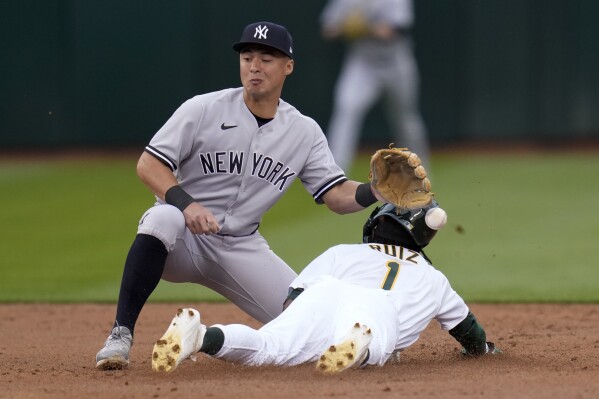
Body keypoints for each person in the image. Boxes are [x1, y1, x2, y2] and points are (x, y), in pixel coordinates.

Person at [95, 21, 387, 370]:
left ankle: (374, 345)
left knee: (307, 324)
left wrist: (376, 190)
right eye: (248, 57)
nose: (255, 66)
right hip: (182, 239)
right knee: (161, 217)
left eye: (266, 58)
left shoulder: (303, 132)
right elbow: (149, 164)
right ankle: (120, 334)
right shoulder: (202, 109)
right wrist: (186, 204)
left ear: (288, 66)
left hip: (241, 247)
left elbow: (336, 196)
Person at [151, 200, 501, 373]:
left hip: (327, 292)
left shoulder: (343, 252)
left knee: (269, 345)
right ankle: (359, 344)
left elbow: (292, 301)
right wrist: (483, 350)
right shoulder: (433, 279)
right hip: (377, 310)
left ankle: (202, 336)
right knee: (378, 339)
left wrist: (303, 329)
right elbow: (470, 333)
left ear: (379, 224)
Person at [320, 0, 431, 172]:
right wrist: (345, 26)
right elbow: (328, 29)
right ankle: (334, 173)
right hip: (363, 64)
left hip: (396, 64)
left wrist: (361, 26)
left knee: (405, 119)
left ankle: (421, 171)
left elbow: (393, 31)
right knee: (346, 110)